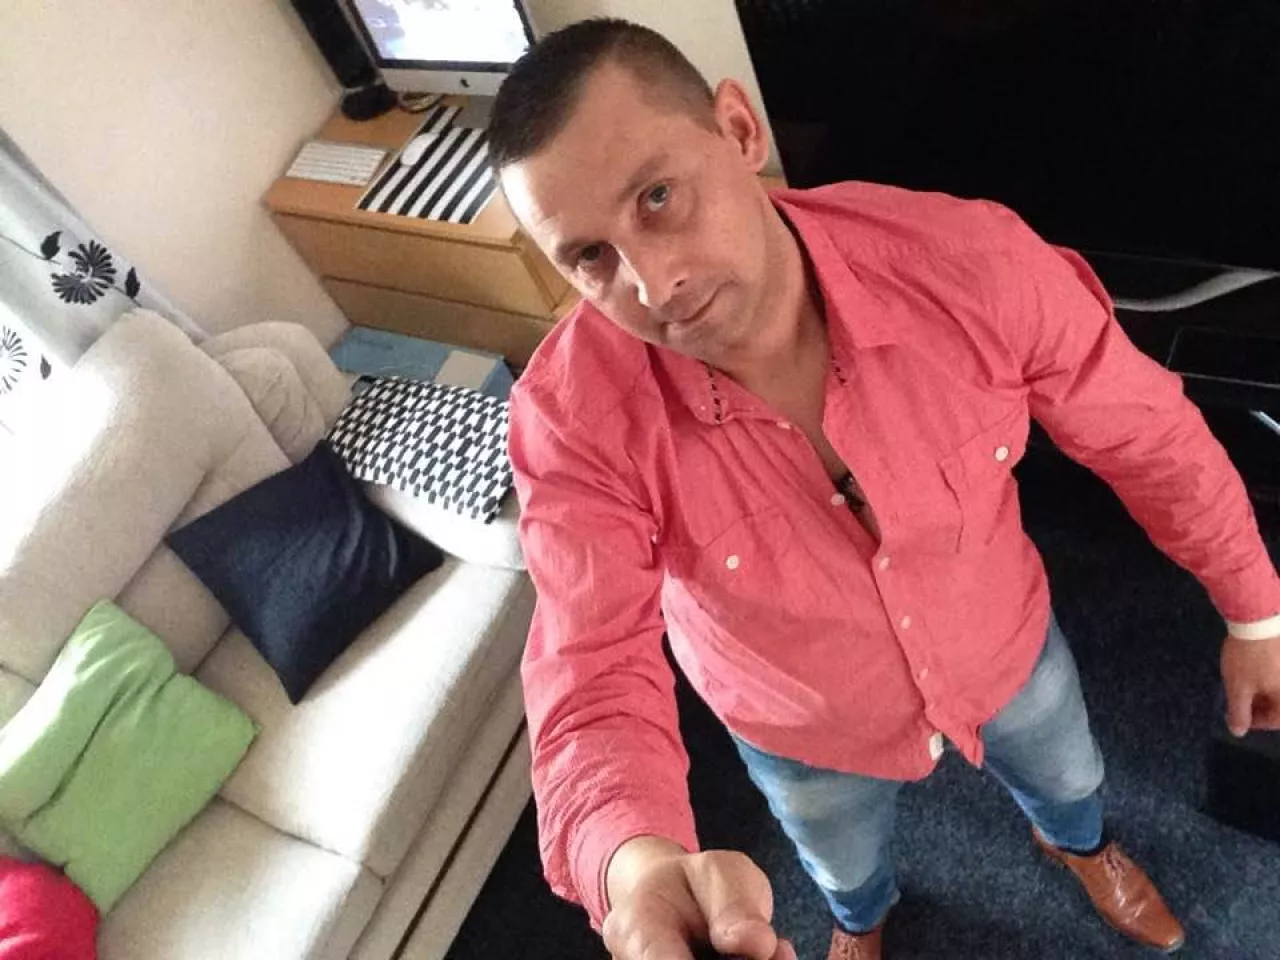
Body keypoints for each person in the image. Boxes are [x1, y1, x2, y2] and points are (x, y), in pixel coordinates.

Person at [488, 19, 1280, 960]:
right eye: (591, 257)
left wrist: (1256, 614)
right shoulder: (573, 419)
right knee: (840, 862)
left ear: (739, 130)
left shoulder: (974, 266)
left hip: (1004, 649)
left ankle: (1081, 848)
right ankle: (860, 921)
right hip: (797, 726)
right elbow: (588, 662)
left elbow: (1147, 434)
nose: (654, 287)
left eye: (658, 197)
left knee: (1071, 780)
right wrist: (634, 868)